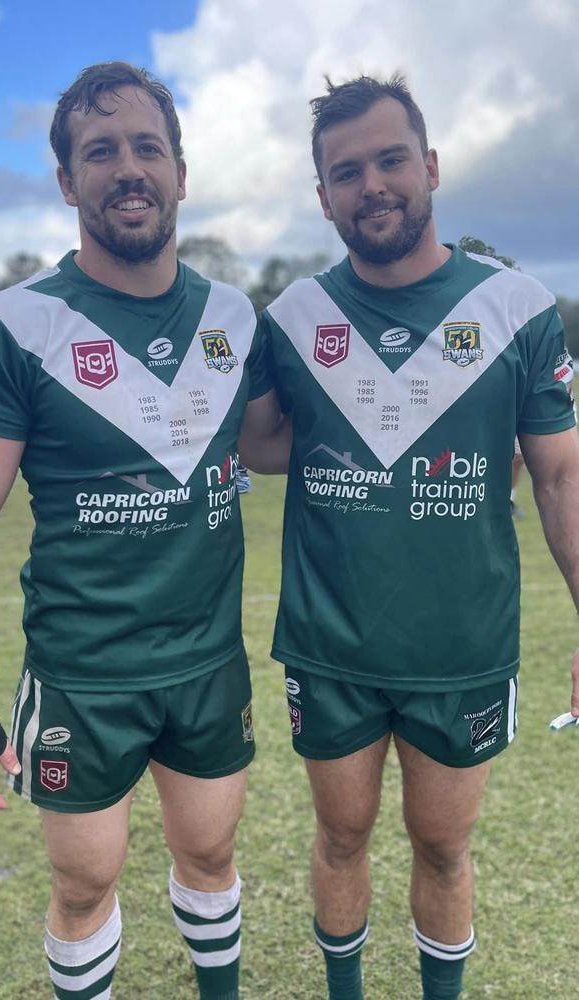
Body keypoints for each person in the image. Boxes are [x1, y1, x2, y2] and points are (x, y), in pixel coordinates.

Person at [0, 61, 286, 1000]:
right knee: (84, 884)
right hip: (84, 672)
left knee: (210, 852)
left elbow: (274, 441)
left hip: (210, 662)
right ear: (65, 181)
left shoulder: (231, 317)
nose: (127, 169)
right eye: (100, 151)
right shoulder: (15, 325)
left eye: (146, 148)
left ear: (180, 171)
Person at [258, 73, 579, 1000]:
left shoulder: (516, 308)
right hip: (331, 647)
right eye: (347, 171)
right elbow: (266, 442)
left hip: (463, 646)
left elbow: (559, 474)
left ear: (431, 166)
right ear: (324, 198)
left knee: (443, 847)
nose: (374, 185)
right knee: (342, 836)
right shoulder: (293, 318)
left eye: (391, 159)